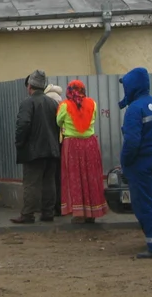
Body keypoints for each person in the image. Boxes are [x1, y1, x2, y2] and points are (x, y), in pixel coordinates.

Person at [119, 67, 152, 259]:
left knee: (144, 205)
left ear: (132, 86)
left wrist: (125, 162)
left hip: (141, 164)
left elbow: (132, 141)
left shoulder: (135, 109)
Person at [11, 70, 60, 224]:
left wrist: (20, 143)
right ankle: (48, 212)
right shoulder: (53, 103)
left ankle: (27, 214)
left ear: (30, 85)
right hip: (52, 149)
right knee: (49, 182)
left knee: (31, 183)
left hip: (33, 150)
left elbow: (23, 125)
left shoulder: (28, 102)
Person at [57, 80, 108, 223]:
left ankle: (78, 213)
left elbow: (58, 122)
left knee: (75, 177)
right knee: (91, 176)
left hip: (72, 144)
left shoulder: (64, 106)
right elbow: (94, 118)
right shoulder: (93, 103)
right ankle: (92, 211)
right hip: (90, 144)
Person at [44, 82, 64, 217]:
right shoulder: (60, 100)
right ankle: (59, 206)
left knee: (48, 177)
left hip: (48, 142)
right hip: (61, 141)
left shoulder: (46, 100)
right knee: (59, 176)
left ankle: (48, 207)